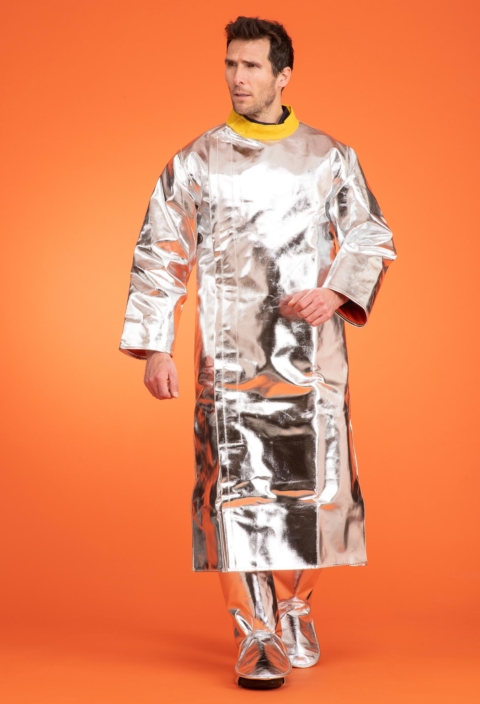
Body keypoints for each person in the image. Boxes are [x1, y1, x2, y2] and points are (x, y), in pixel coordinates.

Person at [119, 16, 396, 690]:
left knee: (315, 495)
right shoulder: (197, 160)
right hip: (229, 364)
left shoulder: (329, 156)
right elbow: (160, 253)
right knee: (232, 498)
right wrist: (156, 346)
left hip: (310, 359)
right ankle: (256, 634)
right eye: (230, 65)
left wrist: (336, 292)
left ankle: (294, 607)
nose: (237, 78)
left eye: (250, 67)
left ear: (283, 75)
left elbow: (369, 235)